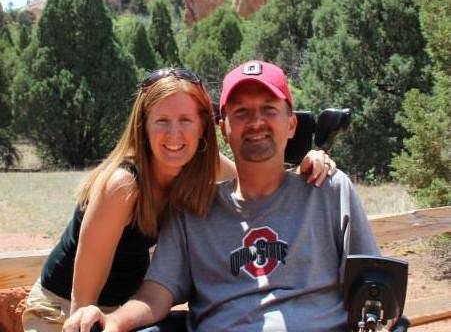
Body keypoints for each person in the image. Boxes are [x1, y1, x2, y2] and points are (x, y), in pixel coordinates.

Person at [64, 60, 380, 332]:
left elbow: (375, 288)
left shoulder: (328, 191)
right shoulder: (193, 210)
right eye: (241, 112)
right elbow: (156, 293)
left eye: (269, 109)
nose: (256, 122)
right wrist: (114, 322)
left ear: (292, 124)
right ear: (223, 128)